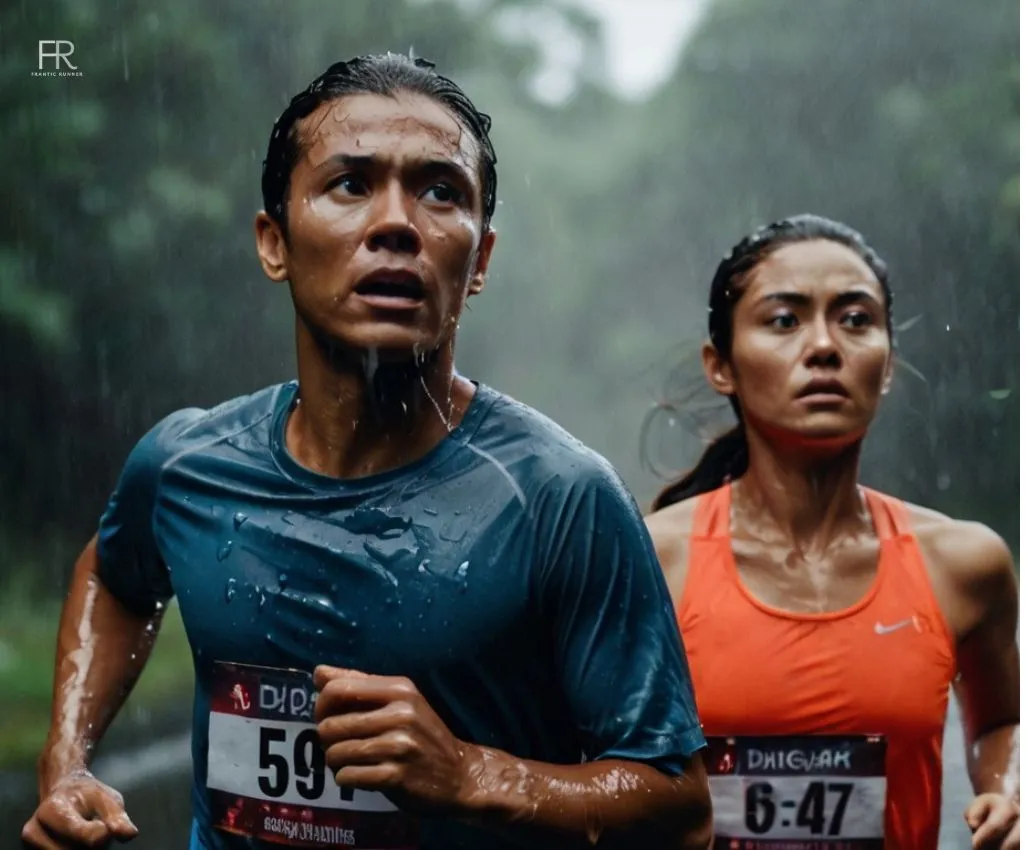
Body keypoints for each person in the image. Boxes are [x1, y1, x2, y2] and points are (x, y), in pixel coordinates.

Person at [21, 54, 712, 850]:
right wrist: (66, 761)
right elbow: (115, 574)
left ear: (479, 260)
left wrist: (473, 775)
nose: (397, 223)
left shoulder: (559, 497)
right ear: (274, 242)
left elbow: (678, 807)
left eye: (440, 191)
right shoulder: (185, 464)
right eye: (350, 183)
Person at [645, 214, 1019, 850]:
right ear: (722, 365)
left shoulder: (965, 565)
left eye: (855, 319)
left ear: (889, 364)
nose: (824, 346)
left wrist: (1010, 789)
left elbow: (1003, 722)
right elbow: (594, 767)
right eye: (785, 320)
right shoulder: (655, 559)